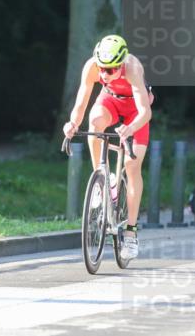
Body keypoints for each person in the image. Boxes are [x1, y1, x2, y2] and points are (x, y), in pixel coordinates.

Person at [62, 35, 152, 260]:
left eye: (110, 70)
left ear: (121, 64)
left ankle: (131, 233)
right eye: (102, 68)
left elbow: (145, 112)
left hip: (135, 109)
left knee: (132, 167)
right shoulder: (92, 67)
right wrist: (72, 123)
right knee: (94, 123)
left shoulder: (133, 68)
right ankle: (102, 181)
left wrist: (130, 129)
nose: (104, 74)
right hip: (110, 100)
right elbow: (81, 102)